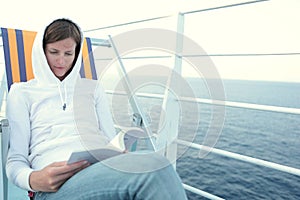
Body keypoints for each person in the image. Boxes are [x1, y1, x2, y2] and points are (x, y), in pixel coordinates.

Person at [6, 18, 188, 199]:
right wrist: (34, 179)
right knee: (155, 168)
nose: (61, 61)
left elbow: (110, 143)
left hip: (101, 173)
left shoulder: (93, 88)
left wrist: (120, 154)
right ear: (42, 51)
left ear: (77, 54)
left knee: (151, 163)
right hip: (55, 187)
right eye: (54, 52)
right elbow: (15, 162)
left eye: (68, 54)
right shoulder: (22, 92)